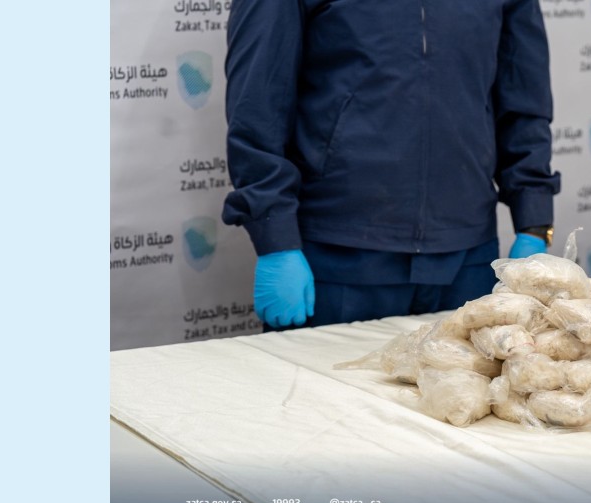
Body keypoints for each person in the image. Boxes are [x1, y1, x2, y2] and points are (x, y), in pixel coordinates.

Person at [222, 0, 561, 329]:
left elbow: (524, 97)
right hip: (338, 259)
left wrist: (533, 224)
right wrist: (275, 236)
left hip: (467, 259)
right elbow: (258, 104)